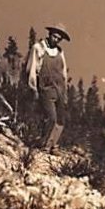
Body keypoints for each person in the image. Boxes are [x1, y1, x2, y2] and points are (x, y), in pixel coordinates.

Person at [26, 23, 70, 153]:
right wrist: (33, 87)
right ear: (49, 34)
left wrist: (65, 90)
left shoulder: (60, 52)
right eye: (54, 36)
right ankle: (44, 144)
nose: (55, 40)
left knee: (61, 119)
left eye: (58, 38)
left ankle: (52, 145)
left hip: (60, 88)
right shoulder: (38, 48)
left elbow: (63, 73)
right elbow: (32, 68)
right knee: (51, 117)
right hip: (46, 87)